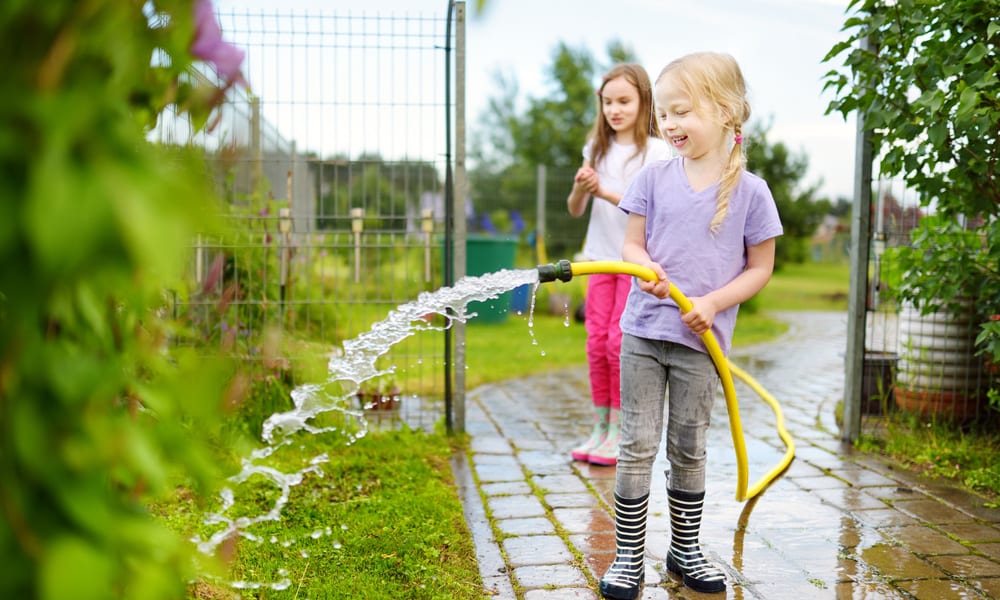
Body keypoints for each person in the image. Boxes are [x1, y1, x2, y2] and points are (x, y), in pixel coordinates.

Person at [598, 52, 783, 599]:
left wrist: (713, 302)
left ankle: (685, 549)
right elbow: (632, 243)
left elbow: (761, 268)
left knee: (689, 447)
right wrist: (643, 262)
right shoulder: (654, 179)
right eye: (665, 114)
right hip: (645, 333)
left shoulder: (753, 192)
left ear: (726, 112)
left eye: (682, 111)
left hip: (702, 343)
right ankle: (628, 556)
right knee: (636, 444)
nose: (670, 124)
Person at [566, 63, 671, 467]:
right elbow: (575, 210)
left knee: (617, 343)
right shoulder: (596, 147)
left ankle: (623, 429)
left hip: (632, 263)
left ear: (644, 101)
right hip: (597, 259)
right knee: (595, 344)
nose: (615, 109)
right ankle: (601, 428)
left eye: (624, 101)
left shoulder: (657, 153)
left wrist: (605, 191)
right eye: (608, 102)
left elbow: (645, 210)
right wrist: (581, 187)